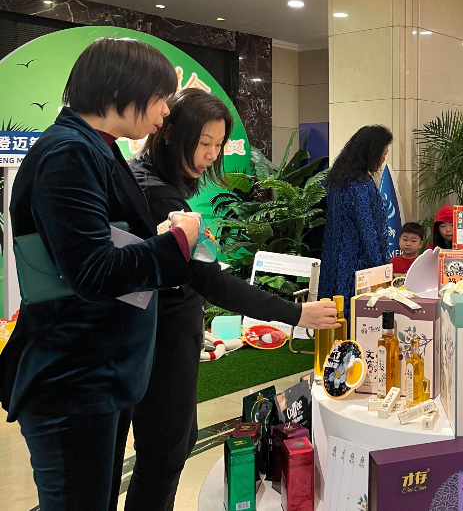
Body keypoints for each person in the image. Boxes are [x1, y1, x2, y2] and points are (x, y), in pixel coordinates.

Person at [0, 37, 200, 511]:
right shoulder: (68, 152)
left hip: (97, 373)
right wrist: (177, 242)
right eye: (160, 97)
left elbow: (94, 243)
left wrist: (154, 237)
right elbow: (92, 271)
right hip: (73, 377)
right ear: (120, 88)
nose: (166, 111)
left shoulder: (93, 147)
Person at [126, 88, 340, 511]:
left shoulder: (149, 179)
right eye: (203, 142)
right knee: (163, 456)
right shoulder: (160, 195)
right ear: (168, 132)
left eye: (218, 144)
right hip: (163, 342)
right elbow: (211, 281)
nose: (211, 155)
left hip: (162, 338)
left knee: (171, 447)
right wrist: (297, 312)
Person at [319, 125, 393, 319]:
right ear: (372, 152)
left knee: (333, 317)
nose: (383, 159)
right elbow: (369, 232)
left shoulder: (337, 180)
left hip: (333, 260)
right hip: (355, 267)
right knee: (352, 320)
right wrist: (382, 271)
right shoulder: (361, 185)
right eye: (383, 154)